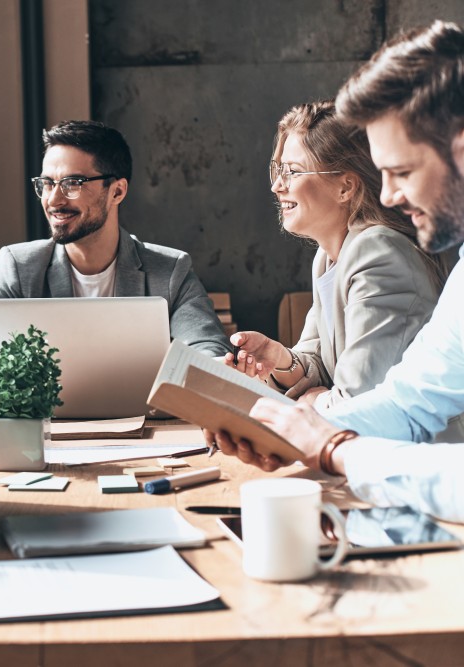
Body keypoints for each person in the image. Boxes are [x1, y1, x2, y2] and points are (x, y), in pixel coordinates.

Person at [211, 20, 464, 523]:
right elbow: (409, 402)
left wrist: (334, 445)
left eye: (403, 171)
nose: (388, 195)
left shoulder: (378, 250)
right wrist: (281, 428)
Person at [0, 120, 230, 392]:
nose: (54, 200)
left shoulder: (170, 271)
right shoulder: (19, 268)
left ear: (117, 191)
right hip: (48, 434)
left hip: (145, 433)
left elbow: (211, 354)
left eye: (72, 183)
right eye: (47, 183)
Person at [228, 100, 445, 409]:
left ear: (345, 187)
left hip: (415, 452)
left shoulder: (378, 255)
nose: (277, 186)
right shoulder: (330, 257)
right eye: (279, 170)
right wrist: (280, 359)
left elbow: (359, 400)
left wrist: (316, 400)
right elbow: (318, 362)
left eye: (293, 172)